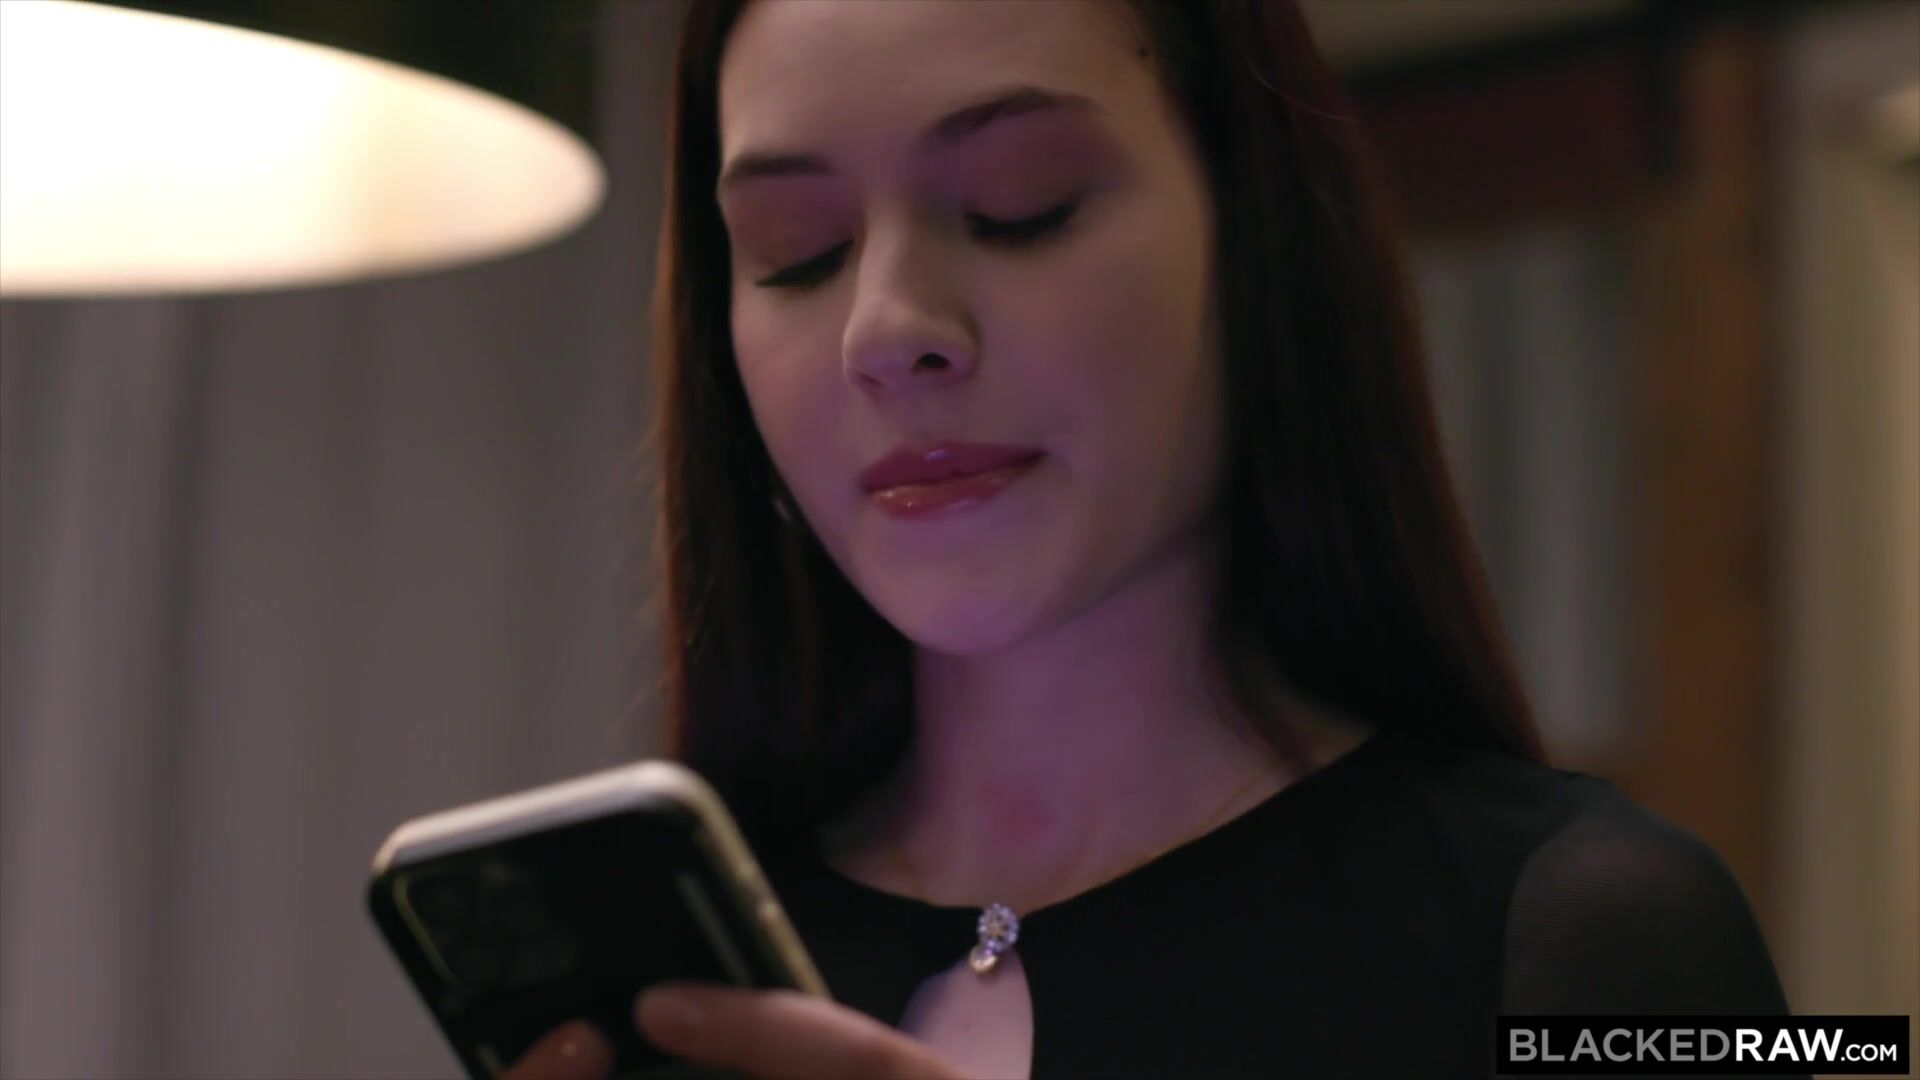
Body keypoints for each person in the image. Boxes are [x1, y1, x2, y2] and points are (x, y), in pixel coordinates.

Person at [508, 1, 1801, 1076]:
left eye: (1021, 205)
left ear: (1257, 241)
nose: (886, 330)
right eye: (799, 252)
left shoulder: (1596, 932)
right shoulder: (673, 985)